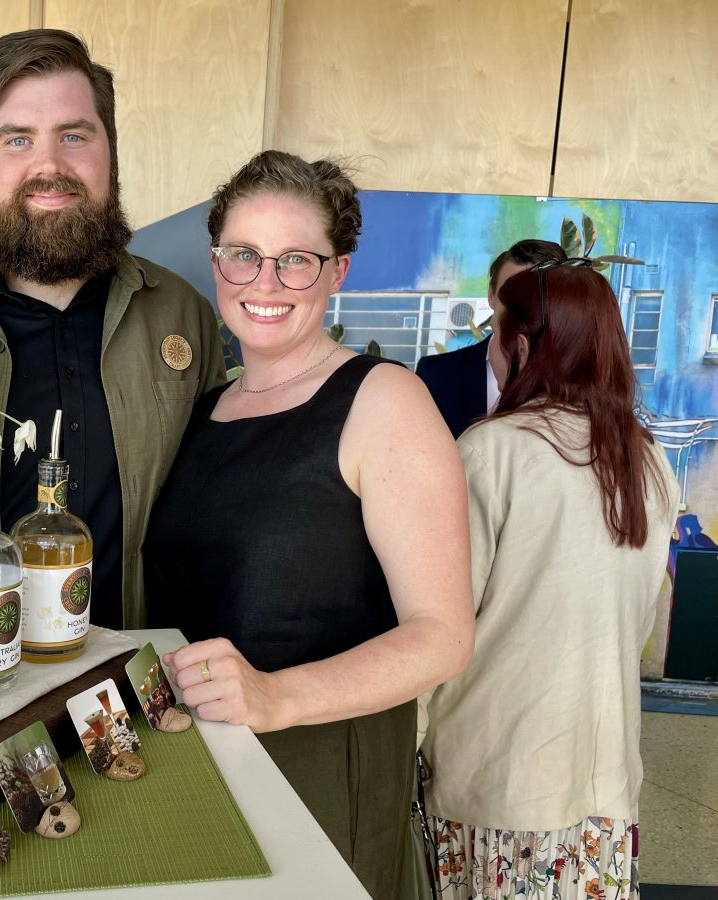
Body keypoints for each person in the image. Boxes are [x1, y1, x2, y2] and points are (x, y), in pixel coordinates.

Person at [143, 151, 475, 899]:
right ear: (216, 262)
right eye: (244, 256)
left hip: (323, 772)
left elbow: (444, 635)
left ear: (338, 271)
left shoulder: (385, 400)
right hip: (201, 765)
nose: (264, 283)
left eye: (295, 260)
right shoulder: (204, 412)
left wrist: (275, 697)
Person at [0, 29, 226, 629]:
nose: (49, 166)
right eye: (17, 139)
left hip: (146, 690)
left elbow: (212, 518)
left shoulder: (184, 314)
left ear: (110, 151)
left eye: (74, 135)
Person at [421, 261, 676, 899]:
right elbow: (641, 620)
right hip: (606, 779)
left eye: (496, 336)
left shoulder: (492, 451)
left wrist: (407, 741)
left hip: (498, 780)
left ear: (524, 346)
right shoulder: (646, 461)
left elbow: (438, 627)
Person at [417, 239, 566, 438]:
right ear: (491, 296)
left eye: (536, 296)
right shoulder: (436, 375)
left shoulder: (582, 383)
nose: (523, 307)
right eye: (511, 294)